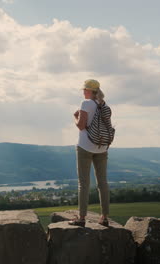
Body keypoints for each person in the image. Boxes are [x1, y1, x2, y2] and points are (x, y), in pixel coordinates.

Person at [68, 79, 110, 227]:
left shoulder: (86, 103)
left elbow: (81, 126)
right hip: (102, 147)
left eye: (85, 89)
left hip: (85, 146)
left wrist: (75, 116)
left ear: (90, 91)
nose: (83, 92)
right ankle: (104, 218)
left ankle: (81, 218)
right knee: (102, 183)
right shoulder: (103, 105)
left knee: (84, 183)